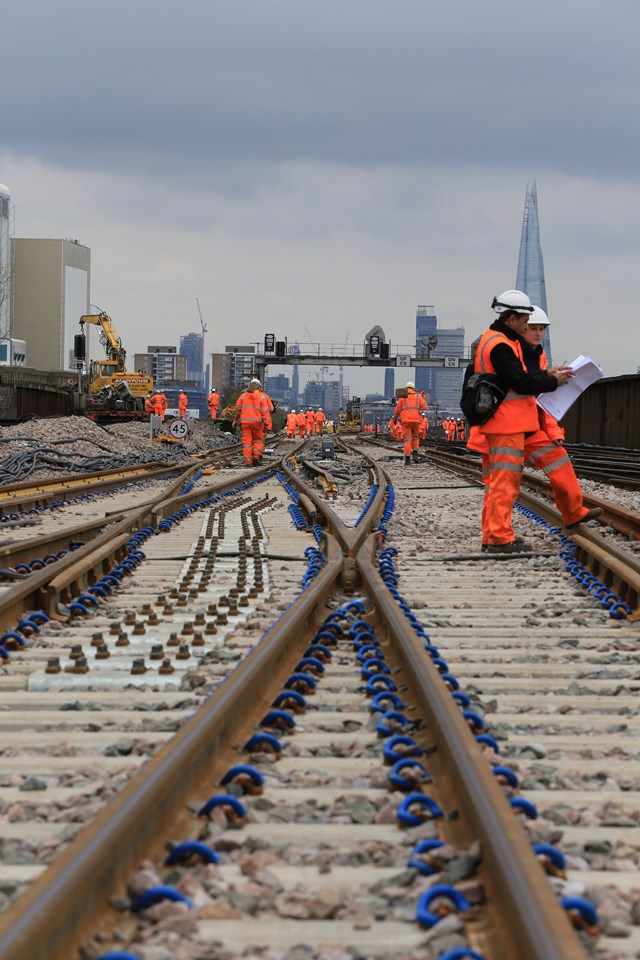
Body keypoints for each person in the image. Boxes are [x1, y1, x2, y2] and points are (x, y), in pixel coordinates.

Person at [472, 289, 574, 554]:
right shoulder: (500, 345)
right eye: (525, 320)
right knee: (504, 484)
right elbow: (520, 382)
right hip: (506, 424)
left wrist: (545, 374)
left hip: (509, 424)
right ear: (512, 318)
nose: (527, 325)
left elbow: (521, 377)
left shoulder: (499, 340)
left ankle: (495, 536)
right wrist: (552, 381)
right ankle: (497, 538)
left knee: (503, 483)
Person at [234, 378, 272, 466]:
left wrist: (235, 420)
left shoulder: (243, 396)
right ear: (259, 387)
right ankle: (256, 456)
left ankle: (248, 461)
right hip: (257, 423)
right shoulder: (262, 396)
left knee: (247, 443)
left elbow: (238, 410)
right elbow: (265, 411)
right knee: (258, 440)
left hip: (245, 423)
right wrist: (266, 425)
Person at [392, 381, 428, 465]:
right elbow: (425, 407)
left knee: (407, 440)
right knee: (415, 438)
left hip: (406, 421)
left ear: (406, 388)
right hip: (416, 421)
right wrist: (423, 397)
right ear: (413, 388)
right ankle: (415, 456)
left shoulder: (402, 398)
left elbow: (397, 411)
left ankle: (407, 459)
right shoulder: (418, 397)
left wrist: (395, 419)